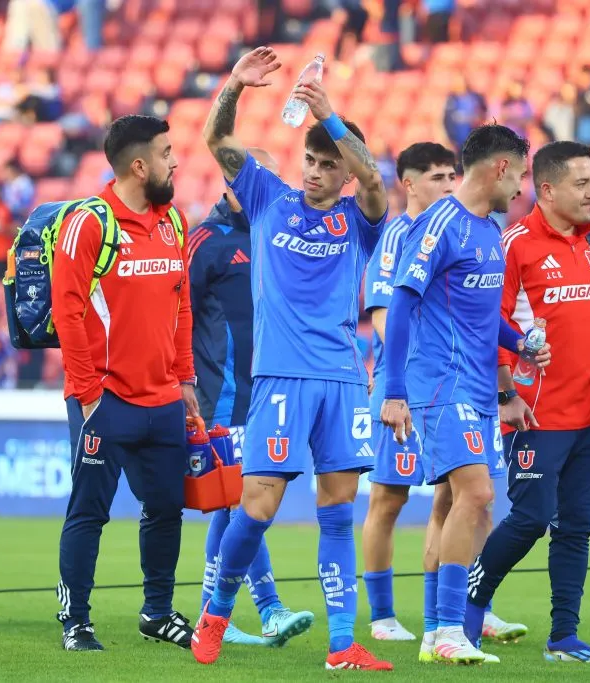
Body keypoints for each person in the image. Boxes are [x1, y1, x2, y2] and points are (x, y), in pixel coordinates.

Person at [192, 46, 392, 671]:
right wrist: (235, 85)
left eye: (327, 164)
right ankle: (216, 616)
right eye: (309, 159)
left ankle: (342, 646)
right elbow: (216, 137)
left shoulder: (361, 221)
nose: (312, 171)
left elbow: (380, 183)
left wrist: (330, 115)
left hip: (340, 380)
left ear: (346, 174)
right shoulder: (266, 198)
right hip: (279, 379)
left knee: (337, 514)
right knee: (257, 509)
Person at [379, 124, 549, 664]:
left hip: (476, 388)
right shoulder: (441, 225)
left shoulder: (488, 230)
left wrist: (520, 342)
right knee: (476, 495)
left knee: (466, 504)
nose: (521, 186)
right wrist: (395, 391)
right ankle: (453, 631)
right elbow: (402, 303)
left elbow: (482, 318)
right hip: (439, 382)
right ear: (500, 168)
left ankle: (434, 632)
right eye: (521, 173)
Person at [463, 141, 590, 664]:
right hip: (535, 411)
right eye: (582, 183)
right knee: (531, 518)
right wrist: (506, 393)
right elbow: (489, 322)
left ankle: (564, 637)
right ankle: (467, 614)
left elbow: (584, 323)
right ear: (548, 188)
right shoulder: (514, 244)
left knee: (575, 527)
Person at [52, 114, 201, 652]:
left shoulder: (174, 223)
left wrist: (185, 381)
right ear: (139, 165)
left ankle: (157, 612)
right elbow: (66, 311)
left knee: (165, 507)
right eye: (166, 152)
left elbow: (180, 306)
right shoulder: (88, 222)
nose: (175, 161)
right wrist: (89, 393)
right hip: (105, 400)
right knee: (89, 511)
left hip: (163, 399)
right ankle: (76, 620)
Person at [188, 147, 313, 647]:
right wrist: (183, 385)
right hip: (222, 392)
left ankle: (209, 613)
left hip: (270, 389)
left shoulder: (276, 234)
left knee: (233, 502)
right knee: (239, 495)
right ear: (232, 179)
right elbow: (176, 315)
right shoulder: (207, 241)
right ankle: (269, 607)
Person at [360, 142, 456, 643]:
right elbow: (381, 315)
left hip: (453, 386)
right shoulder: (397, 236)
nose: (447, 186)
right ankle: (382, 616)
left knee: (456, 497)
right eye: (437, 177)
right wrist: (405, 378)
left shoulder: (458, 230)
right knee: (388, 499)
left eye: (451, 176)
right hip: (406, 389)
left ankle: (450, 611)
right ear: (409, 184)